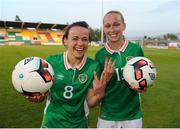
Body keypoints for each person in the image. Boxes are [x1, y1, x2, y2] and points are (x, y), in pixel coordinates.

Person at [26, 21, 115, 128]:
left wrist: (100, 95)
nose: (80, 43)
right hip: (51, 124)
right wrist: (37, 97)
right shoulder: (51, 62)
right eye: (75, 38)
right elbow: (43, 95)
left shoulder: (93, 66)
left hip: (79, 125)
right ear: (65, 40)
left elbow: (90, 102)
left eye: (84, 39)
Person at [95, 10, 144, 128]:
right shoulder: (100, 55)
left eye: (116, 24)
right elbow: (97, 91)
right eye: (107, 26)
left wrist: (142, 85)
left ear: (124, 25)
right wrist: (105, 79)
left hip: (133, 115)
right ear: (104, 29)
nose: (112, 30)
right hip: (107, 115)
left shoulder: (136, 50)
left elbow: (142, 78)